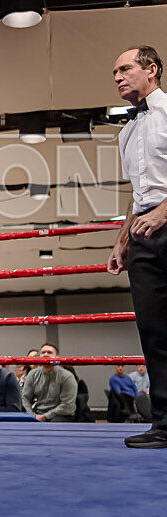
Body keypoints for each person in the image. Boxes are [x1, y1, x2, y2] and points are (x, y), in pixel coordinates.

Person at [107, 45, 167, 447]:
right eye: (114, 72)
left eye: (125, 68)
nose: (117, 77)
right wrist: (121, 241)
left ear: (152, 69)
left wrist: (164, 212)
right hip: (144, 236)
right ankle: (165, 425)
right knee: (153, 331)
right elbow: (137, 195)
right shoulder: (127, 131)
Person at [21, 344, 77, 422]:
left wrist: (45, 416)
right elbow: (25, 398)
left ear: (57, 357)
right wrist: (31, 415)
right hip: (37, 413)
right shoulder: (32, 374)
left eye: (49, 352)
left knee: (55, 424)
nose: (45, 355)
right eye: (43, 352)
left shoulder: (67, 376)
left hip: (60, 415)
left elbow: (67, 406)